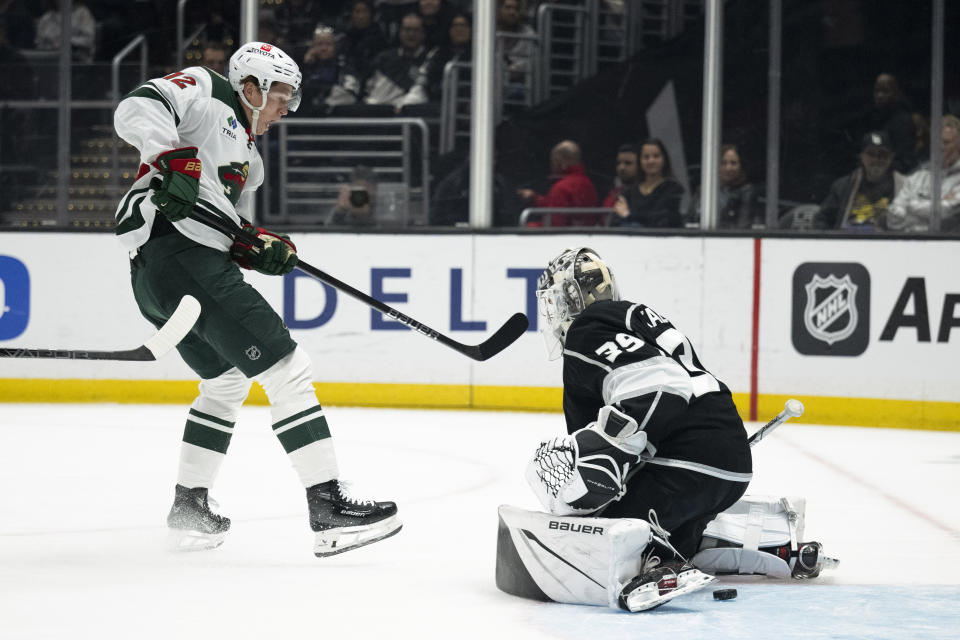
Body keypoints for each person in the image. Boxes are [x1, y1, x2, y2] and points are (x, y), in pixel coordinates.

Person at [112, 41, 401, 557]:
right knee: (288, 369)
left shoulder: (248, 157)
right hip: (181, 260)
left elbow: (216, 215)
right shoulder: (207, 90)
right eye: (279, 96)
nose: (285, 108)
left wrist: (252, 242)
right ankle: (328, 507)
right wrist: (167, 156)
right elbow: (136, 107)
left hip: (162, 273)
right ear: (250, 87)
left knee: (224, 383)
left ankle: (189, 508)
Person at [525, 247, 753, 606]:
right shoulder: (634, 319)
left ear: (571, 296)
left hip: (685, 467)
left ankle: (655, 560)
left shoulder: (589, 327)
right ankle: (726, 546)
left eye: (554, 300)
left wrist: (611, 450)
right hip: (730, 467)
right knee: (666, 525)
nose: (553, 313)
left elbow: (663, 381)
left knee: (602, 529)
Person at [887, 115, 960, 233]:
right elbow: (892, 219)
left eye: (946, 143)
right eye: (936, 142)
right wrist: (937, 205)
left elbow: (945, 216)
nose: (940, 147)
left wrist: (909, 206)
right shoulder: (917, 177)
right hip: (909, 244)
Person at [819, 131, 905, 231]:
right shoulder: (843, 186)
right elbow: (821, 220)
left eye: (883, 154)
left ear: (891, 157)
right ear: (861, 156)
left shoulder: (906, 187)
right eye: (871, 154)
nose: (876, 159)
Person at [517, 140, 602, 227]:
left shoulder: (561, 188)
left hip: (565, 238)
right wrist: (534, 198)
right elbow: (562, 208)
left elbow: (553, 225)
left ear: (560, 162)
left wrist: (528, 227)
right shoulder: (588, 184)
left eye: (552, 161)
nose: (551, 166)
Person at [362, 12, 433, 111]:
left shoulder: (430, 59)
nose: (411, 34)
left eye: (416, 30)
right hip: (382, 112)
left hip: (413, 114)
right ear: (399, 32)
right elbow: (370, 89)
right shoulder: (384, 58)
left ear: (423, 34)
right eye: (407, 30)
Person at [612, 138, 684, 228]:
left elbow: (660, 220)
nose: (651, 161)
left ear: (664, 160)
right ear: (639, 161)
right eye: (646, 157)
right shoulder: (629, 192)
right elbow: (615, 220)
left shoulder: (673, 189)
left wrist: (628, 215)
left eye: (656, 156)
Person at [690, 144, 759, 229]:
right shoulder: (704, 190)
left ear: (741, 166)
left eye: (733, 163)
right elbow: (690, 221)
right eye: (723, 163)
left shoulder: (747, 192)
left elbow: (742, 227)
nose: (728, 168)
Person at [864, 73, 918, 175]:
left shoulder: (903, 121)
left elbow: (905, 161)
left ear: (896, 94)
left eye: (885, 91)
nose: (880, 96)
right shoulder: (870, 117)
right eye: (877, 91)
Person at [300, 24, 359, 115]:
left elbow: (350, 94)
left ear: (335, 46)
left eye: (328, 44)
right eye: (319, 44)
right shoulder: (304, 67)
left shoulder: (344, 66)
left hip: (335, 115)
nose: (324, 48)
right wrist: (305, 66)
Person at [424, 11, 471, 102]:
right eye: (455, 25)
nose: (459, 29)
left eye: (464, 25)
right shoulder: (436, 53)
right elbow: (424, 80)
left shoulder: (480, 55)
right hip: (438, 104)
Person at [601, 143, 640, 208]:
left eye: (628, 163)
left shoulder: (645, 195)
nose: (621, 167)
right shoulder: (613, 196)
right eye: (618, 163)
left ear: (640, 166)